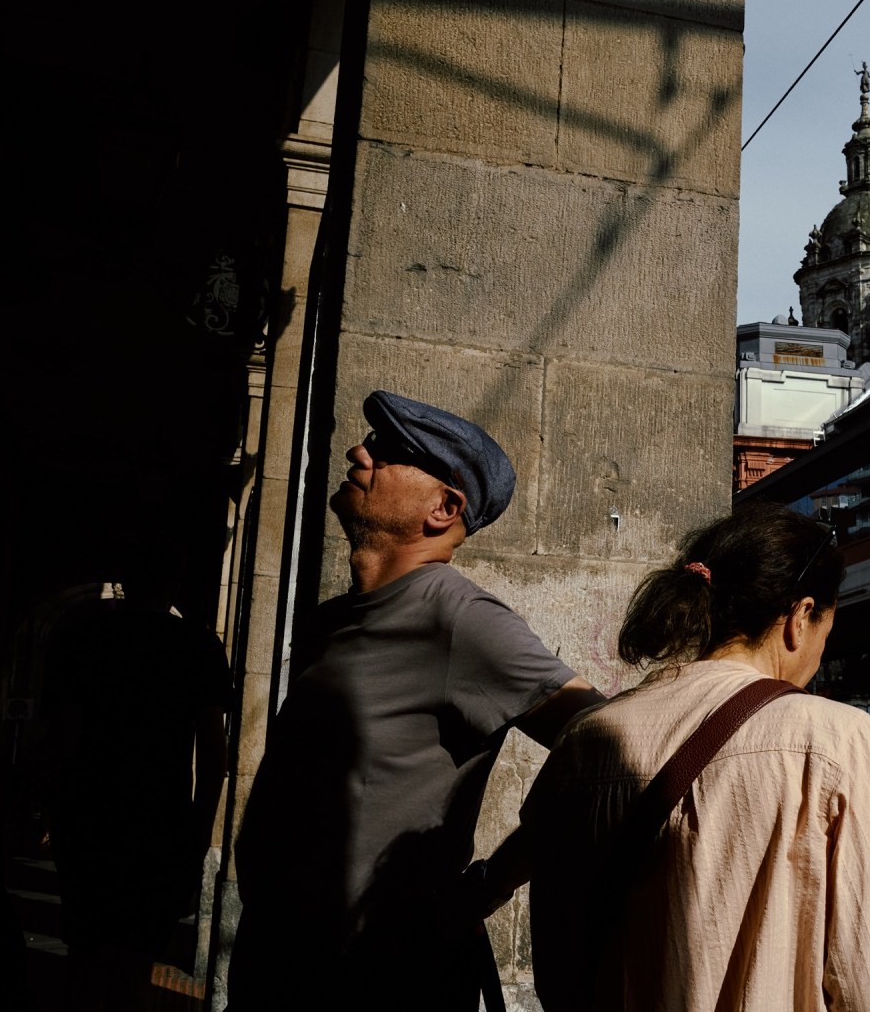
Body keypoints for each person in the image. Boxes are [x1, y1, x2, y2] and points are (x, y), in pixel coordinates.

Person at [228, 390, 603, 1010]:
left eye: (386, 450)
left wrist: (491, 882)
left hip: (384, 978)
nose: (358, 453)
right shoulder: (330, 621)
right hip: (277, 959)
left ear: (443, 507)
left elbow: (615, 744)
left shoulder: (459, 618)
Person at [521, 502, 870, 1011]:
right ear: (800, 618)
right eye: (827, 628)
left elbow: (555, 961)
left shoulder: (585, 739)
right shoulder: (839, 742)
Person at [42, 577, 231, 1012]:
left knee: (84, 956)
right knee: (136, 963)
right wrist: (199, 833)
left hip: (87, 816)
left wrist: (54, 814)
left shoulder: (83, 638)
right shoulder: (197, 647)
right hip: (159, 822)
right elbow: (213, 752)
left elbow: (62, 738)